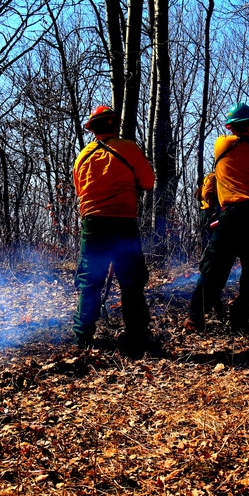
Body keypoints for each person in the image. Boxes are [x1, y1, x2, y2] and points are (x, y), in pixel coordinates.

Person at [72, 105, 156, 355]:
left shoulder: (83, 156)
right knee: (131, 281)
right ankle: (137, 337)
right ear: (114, 125)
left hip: (93, 225)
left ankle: (82, 337)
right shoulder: (129, 148)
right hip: (123, 224)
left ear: (93, 129)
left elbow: (80, 192)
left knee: (90, 281)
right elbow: (148, 182)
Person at [185, 102, 249, 333]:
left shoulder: (222, 143)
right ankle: (240, 319)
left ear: (230, 126)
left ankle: (195, 319)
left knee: (214, 268)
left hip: (234, 214)